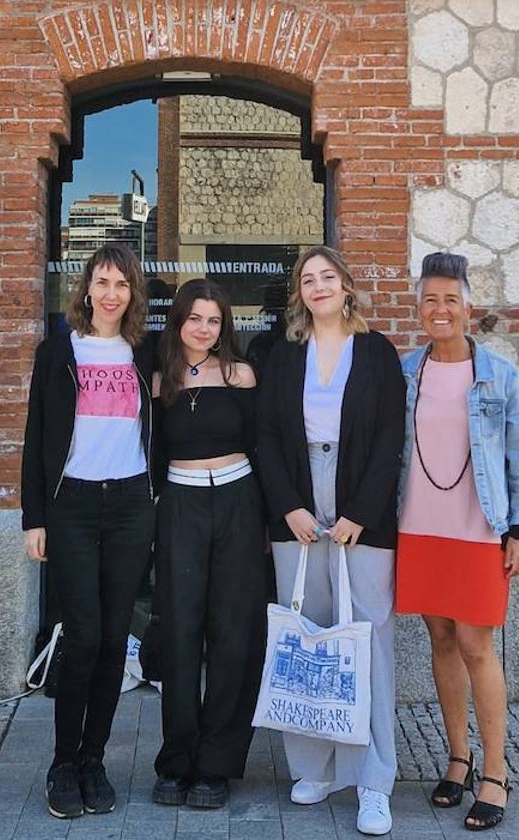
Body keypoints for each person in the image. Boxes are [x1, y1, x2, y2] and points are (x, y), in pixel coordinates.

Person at [256, 245, 405, 836]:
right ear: (299, 293)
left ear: (347, 287)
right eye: (307, 279)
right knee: (308, 638)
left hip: (360, 506)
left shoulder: (375, 352)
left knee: (368, 640)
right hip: (296, 500)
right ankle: (313, 769)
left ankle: (373, 782)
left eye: (328, 276)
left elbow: (392, 435)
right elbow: (265, 433)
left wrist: (361, 514)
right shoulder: (285, 354)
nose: (318, 286)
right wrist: (287, 505)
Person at [396, 252, 519, 832]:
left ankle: (496, 772)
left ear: (467, 308)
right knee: (439, 637)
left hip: (478, 529)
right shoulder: (407, 370)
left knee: (478, 645)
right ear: (419, 306)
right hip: (418, 527)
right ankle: (457, 759)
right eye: (430, 299)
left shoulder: (500, 376)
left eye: (450, 300)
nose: (440, 309)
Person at [21, 243, 157, 820]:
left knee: (112, 640)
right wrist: (35, 518)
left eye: (121, 285)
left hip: (130, 504)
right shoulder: (58, 351)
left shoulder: (146, 353)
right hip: (71, 505)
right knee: (83, 636)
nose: (110, 294)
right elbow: (35, 439)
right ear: (86, 289)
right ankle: (61, 761)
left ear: (132, 295)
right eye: (102, 282)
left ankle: (93, 760)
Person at [150, 279, 267, 810]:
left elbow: (264, 448)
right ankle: (176, 760)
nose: (204, 328)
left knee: (231, 634)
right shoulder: (158, 381)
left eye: (214, 320)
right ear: (178, 322)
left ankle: (215, 765)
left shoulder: (243, 375)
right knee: (179, 633)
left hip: (240, 505)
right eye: (194, 318)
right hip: (181, 506)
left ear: (225, 326)